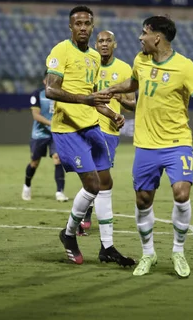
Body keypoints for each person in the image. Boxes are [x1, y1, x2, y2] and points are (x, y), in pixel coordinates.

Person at [101, 15, 193, 278]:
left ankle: (178, 250)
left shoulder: (185, 67)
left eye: (144, 32)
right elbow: (134, 83)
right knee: (143, 200)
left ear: (157, 37)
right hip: (146, 145)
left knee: (181, 194)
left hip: (177, 144)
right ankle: (148, 254)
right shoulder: (140, 60)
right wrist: (112, 90)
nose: (140, 37)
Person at [45, 6, 135, 267]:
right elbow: (51, 89)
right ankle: (69, 234)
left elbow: (93, 96)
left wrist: (110, 114)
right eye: (78, 23)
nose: (83, 27)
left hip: (92, 126)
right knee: (93, 185)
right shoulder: (61, 50)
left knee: (106, 183)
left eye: (87, 23)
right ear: (70, 27)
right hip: (67, 129)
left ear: (92, 27)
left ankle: (107, 247)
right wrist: (85, 99)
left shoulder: (94, 57)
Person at [77, 30, 135, 235]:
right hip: (87, 126)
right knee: (88, 174)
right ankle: (85, 215)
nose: (103, 44)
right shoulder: (88, 64)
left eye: (108, 40)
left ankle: (86, 214)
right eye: (100, 41)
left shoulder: (124, 69)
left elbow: (133, 104)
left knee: (100, 177)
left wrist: (121, 100)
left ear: (114, 44)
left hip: (110, 132)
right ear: (95, 44)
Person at [22, 71, 68, 202]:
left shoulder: (61, 95)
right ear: (44, 81)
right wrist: (51, 123)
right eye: (50, 78)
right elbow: (36, 115)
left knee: (57, 158)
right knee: (35, 162)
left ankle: (60, 192)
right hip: (40, 134)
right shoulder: (38, 94)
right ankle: (27, 186)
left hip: (55, 133)